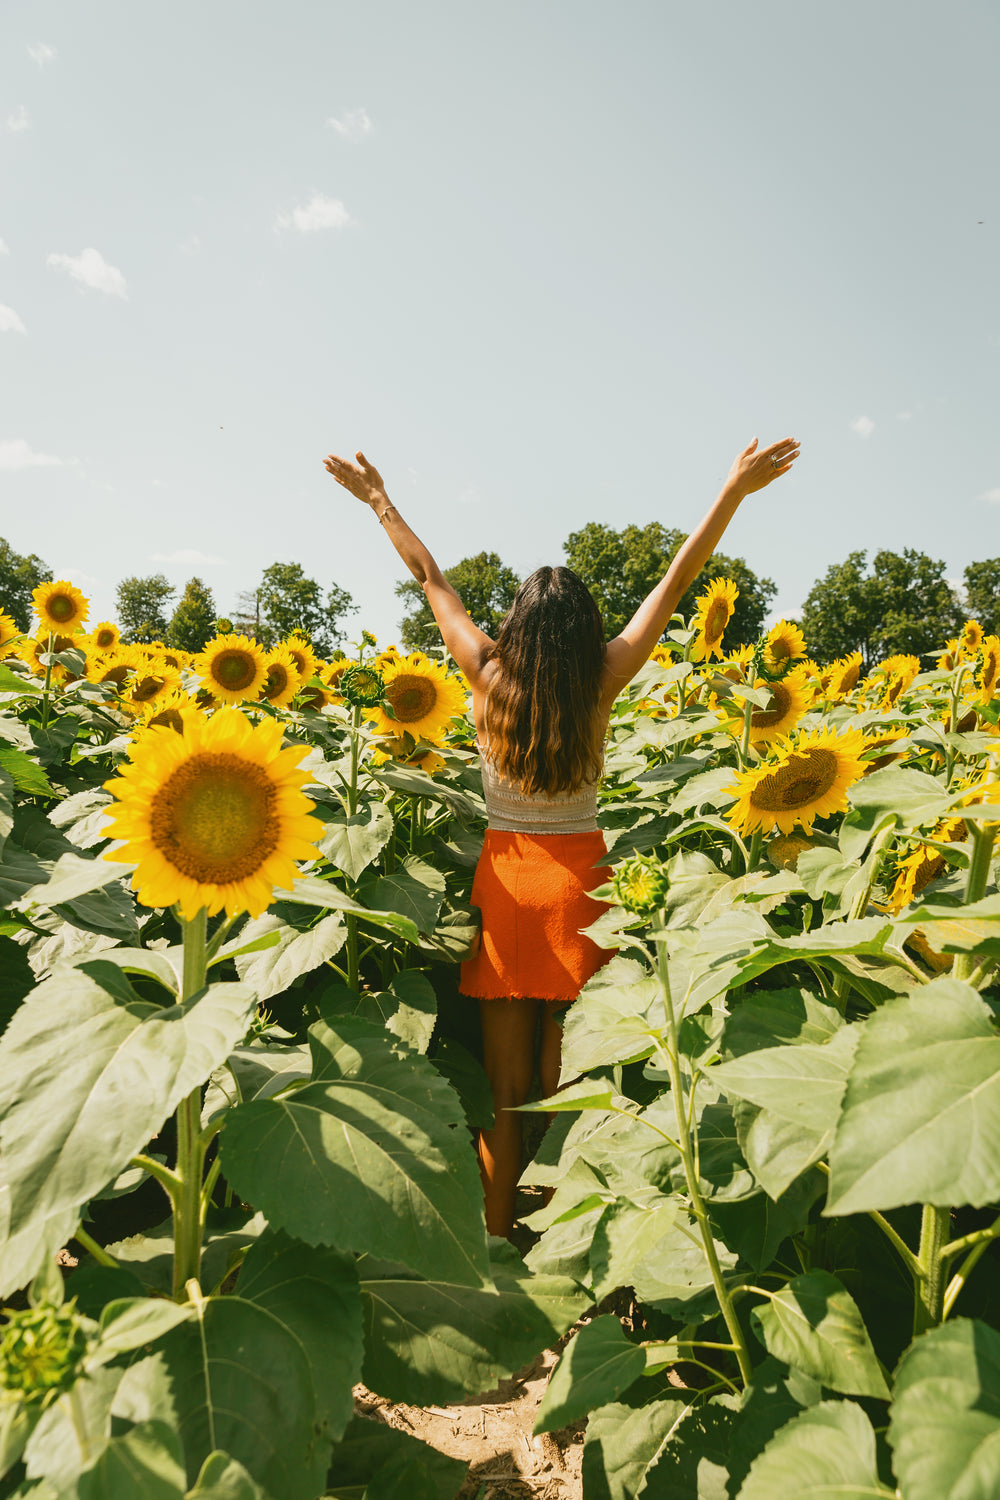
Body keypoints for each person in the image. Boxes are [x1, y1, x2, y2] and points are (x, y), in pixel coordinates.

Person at [323, 437, 800, 1236]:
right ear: (582, 632)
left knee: (505, 1086)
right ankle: (574, 1230)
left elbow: (431, 580)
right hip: (584, 884)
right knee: (574, 1072)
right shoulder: (604, 678)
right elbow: (676, 581)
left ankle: (498, 1234)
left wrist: (379, 500)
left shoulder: (483, 673)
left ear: (515, 623)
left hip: (508, 884)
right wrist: (733, 491)